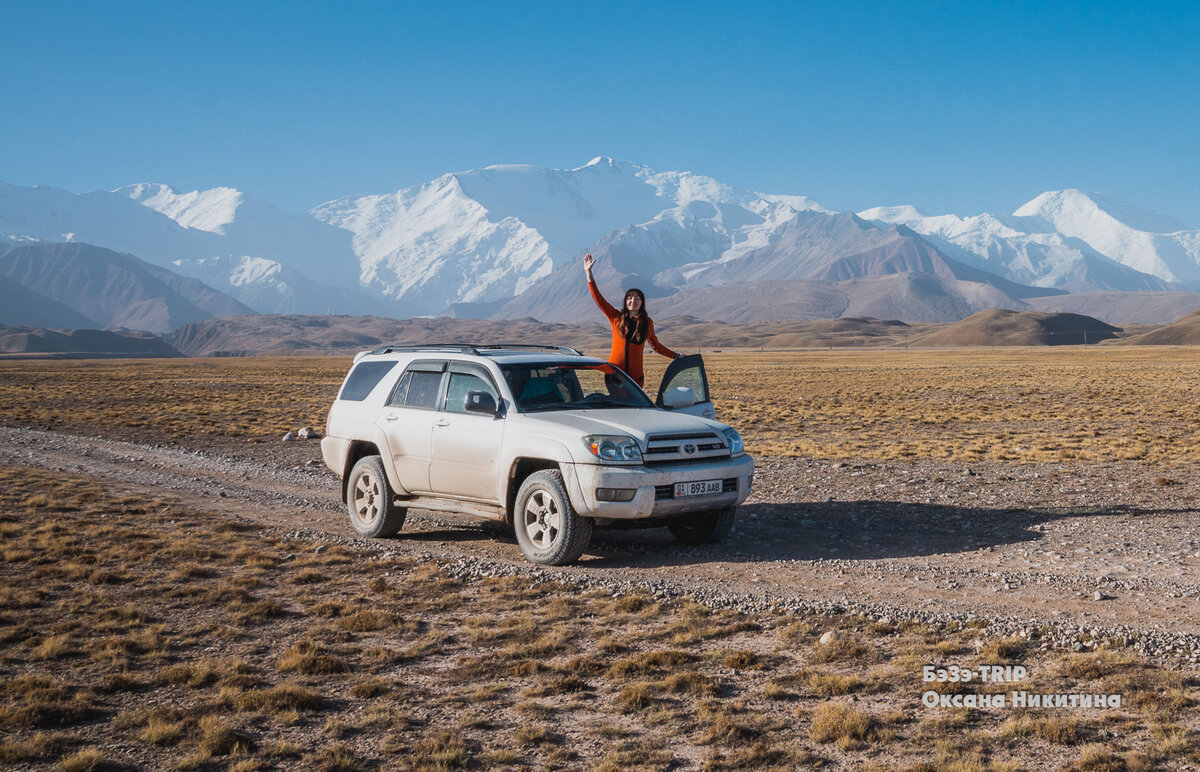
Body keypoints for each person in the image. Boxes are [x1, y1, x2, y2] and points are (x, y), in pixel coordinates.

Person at [583, 253, 678, 388]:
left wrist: (676, 356)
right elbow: (599, 299)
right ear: (625, 301)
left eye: (637, 298)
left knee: (634, 408)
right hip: (614, 375)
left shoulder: (647, 323)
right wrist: (589, 273)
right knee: (617, 407)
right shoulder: (615, 317)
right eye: (630, 298)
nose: (633, 301)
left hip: (636, 377)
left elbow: (657, 346)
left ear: (642, 302)